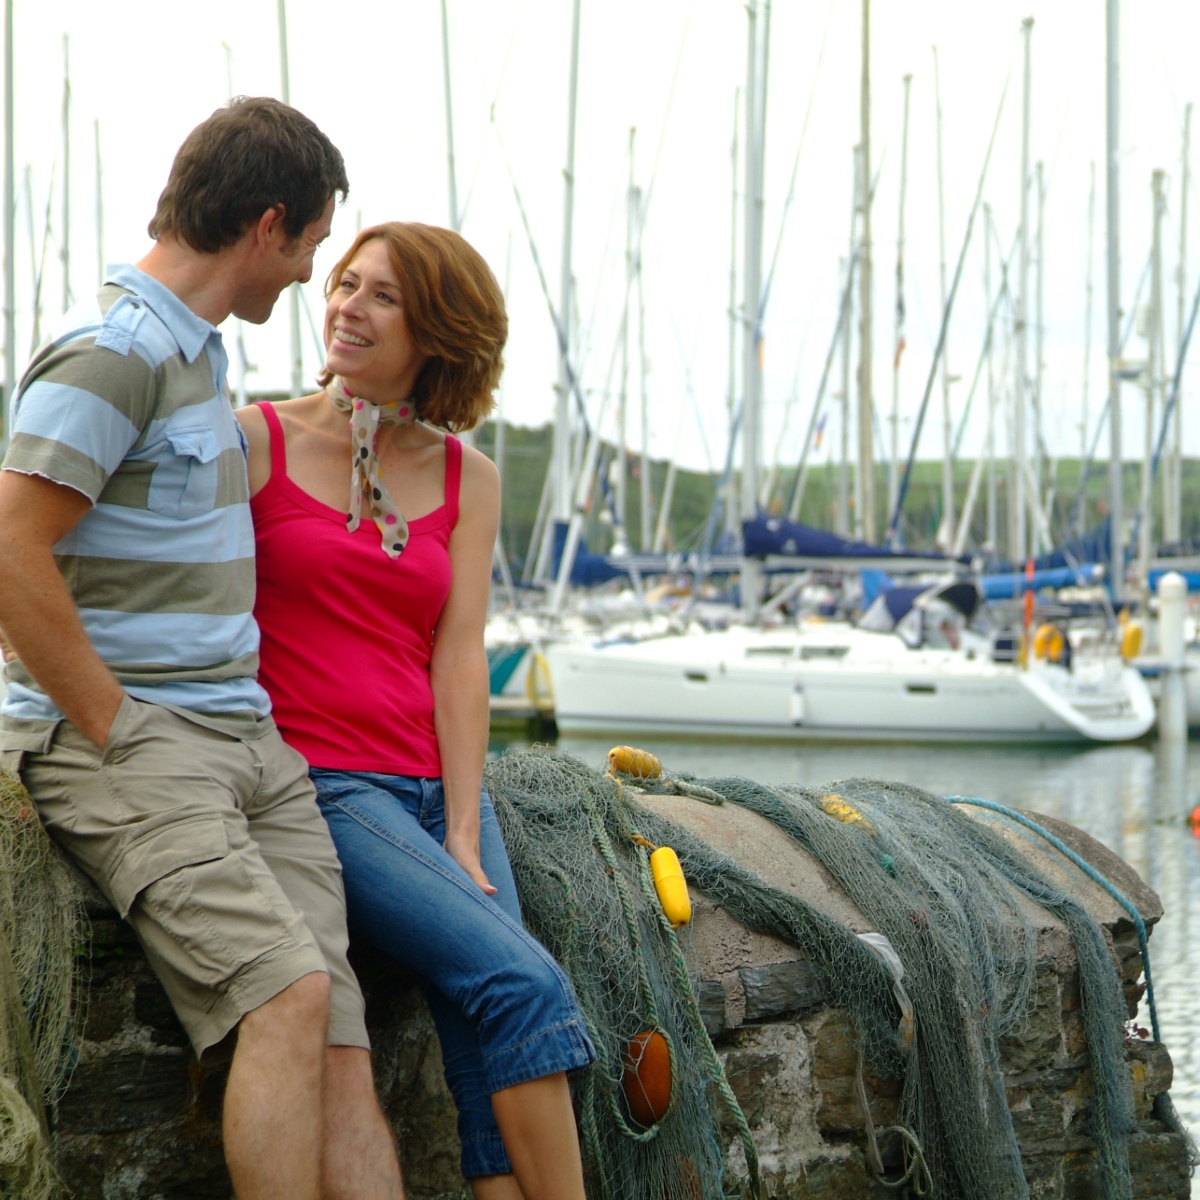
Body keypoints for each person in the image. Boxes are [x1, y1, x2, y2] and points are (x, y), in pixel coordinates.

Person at [0, 98, 404, 1200]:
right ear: (267, 227)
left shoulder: (197, 355)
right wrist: (118, 728)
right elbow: (11, 549)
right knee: (285, 995)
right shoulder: (114, 354)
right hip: (133, 743)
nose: (310, 272)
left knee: (340, 1030)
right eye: (312, 245)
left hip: (248, 744)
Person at [236, 221, 595, 1200]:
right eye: (345, 284)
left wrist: (466, 828)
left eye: (382, 295)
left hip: (438, 787)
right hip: (329, 789)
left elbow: (458, 653)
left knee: (481, 1024)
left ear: (436, 332)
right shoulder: (255, 440)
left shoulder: (469, 476)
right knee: (526, 984)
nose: (348, 306)